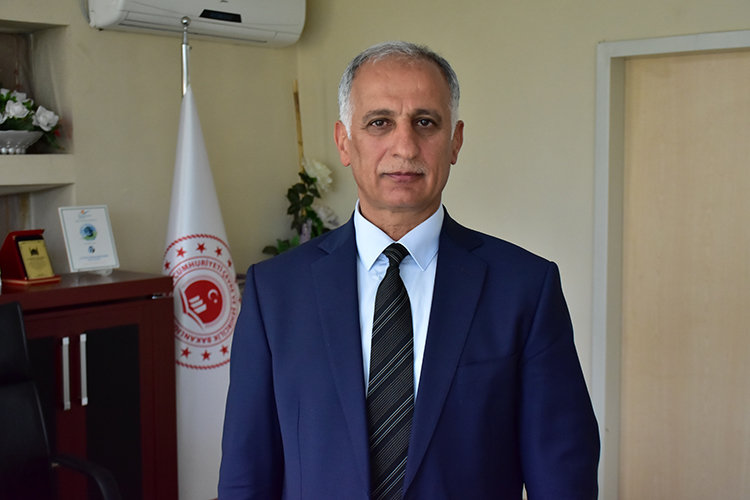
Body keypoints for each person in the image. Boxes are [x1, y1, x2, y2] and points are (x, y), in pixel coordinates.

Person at [218, 41, 600, 500]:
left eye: (425, 122)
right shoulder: (276, 292)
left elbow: (562, 475)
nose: (404, 146)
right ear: (344, 141)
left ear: (455, 141)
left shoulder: (524, 288)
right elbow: (246, 473)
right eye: (379, 122)